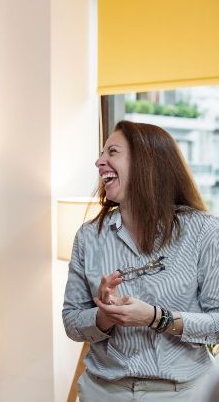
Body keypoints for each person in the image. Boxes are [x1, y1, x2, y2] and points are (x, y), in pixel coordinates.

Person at [63, 120, 219, 401]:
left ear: (147, 162)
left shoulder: (204, 231)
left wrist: (156, 318)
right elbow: (71, 321)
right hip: (103, 391)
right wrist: (103, 317)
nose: (99, 162)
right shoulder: (88, 236)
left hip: (184, 393)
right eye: (101, 153)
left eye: (112, 152)